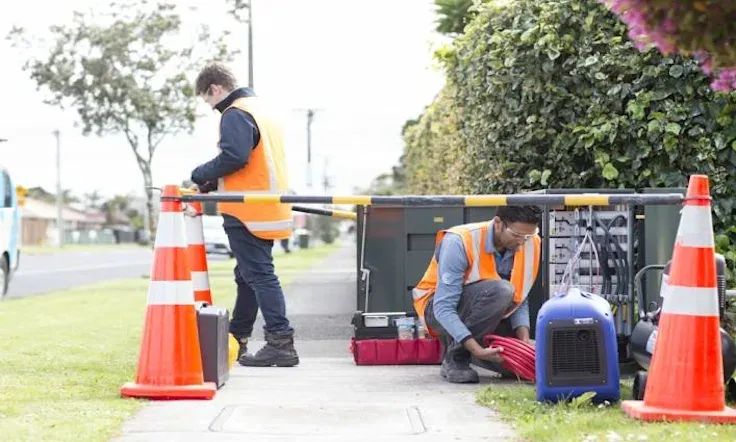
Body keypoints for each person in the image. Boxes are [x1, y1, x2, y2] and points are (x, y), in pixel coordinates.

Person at [190, 62, 298, 367]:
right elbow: (250, 159)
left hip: (247, 210)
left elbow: (235, 156)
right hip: (268, 206)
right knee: (247, 275)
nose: (211, 107)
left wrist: (199, 174)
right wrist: (212, 182)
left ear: (215, 89)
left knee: (260, 275)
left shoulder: (234, 113)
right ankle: (238, 337)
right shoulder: (263, 112)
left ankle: (280, 342)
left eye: (207, 100)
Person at [412, 206, 542, 383]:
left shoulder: (531, 241)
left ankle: (471, 348)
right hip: (436, 309)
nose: (522, 242)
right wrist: (476, 350)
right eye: (517, 235)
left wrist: (523, 343)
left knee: (514, 365)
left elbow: (520, 295)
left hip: (489, 311)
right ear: (498, 224)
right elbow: (443, 308)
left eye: (527, 236)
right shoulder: (459, 241)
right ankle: (457, 358)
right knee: (502, 290)